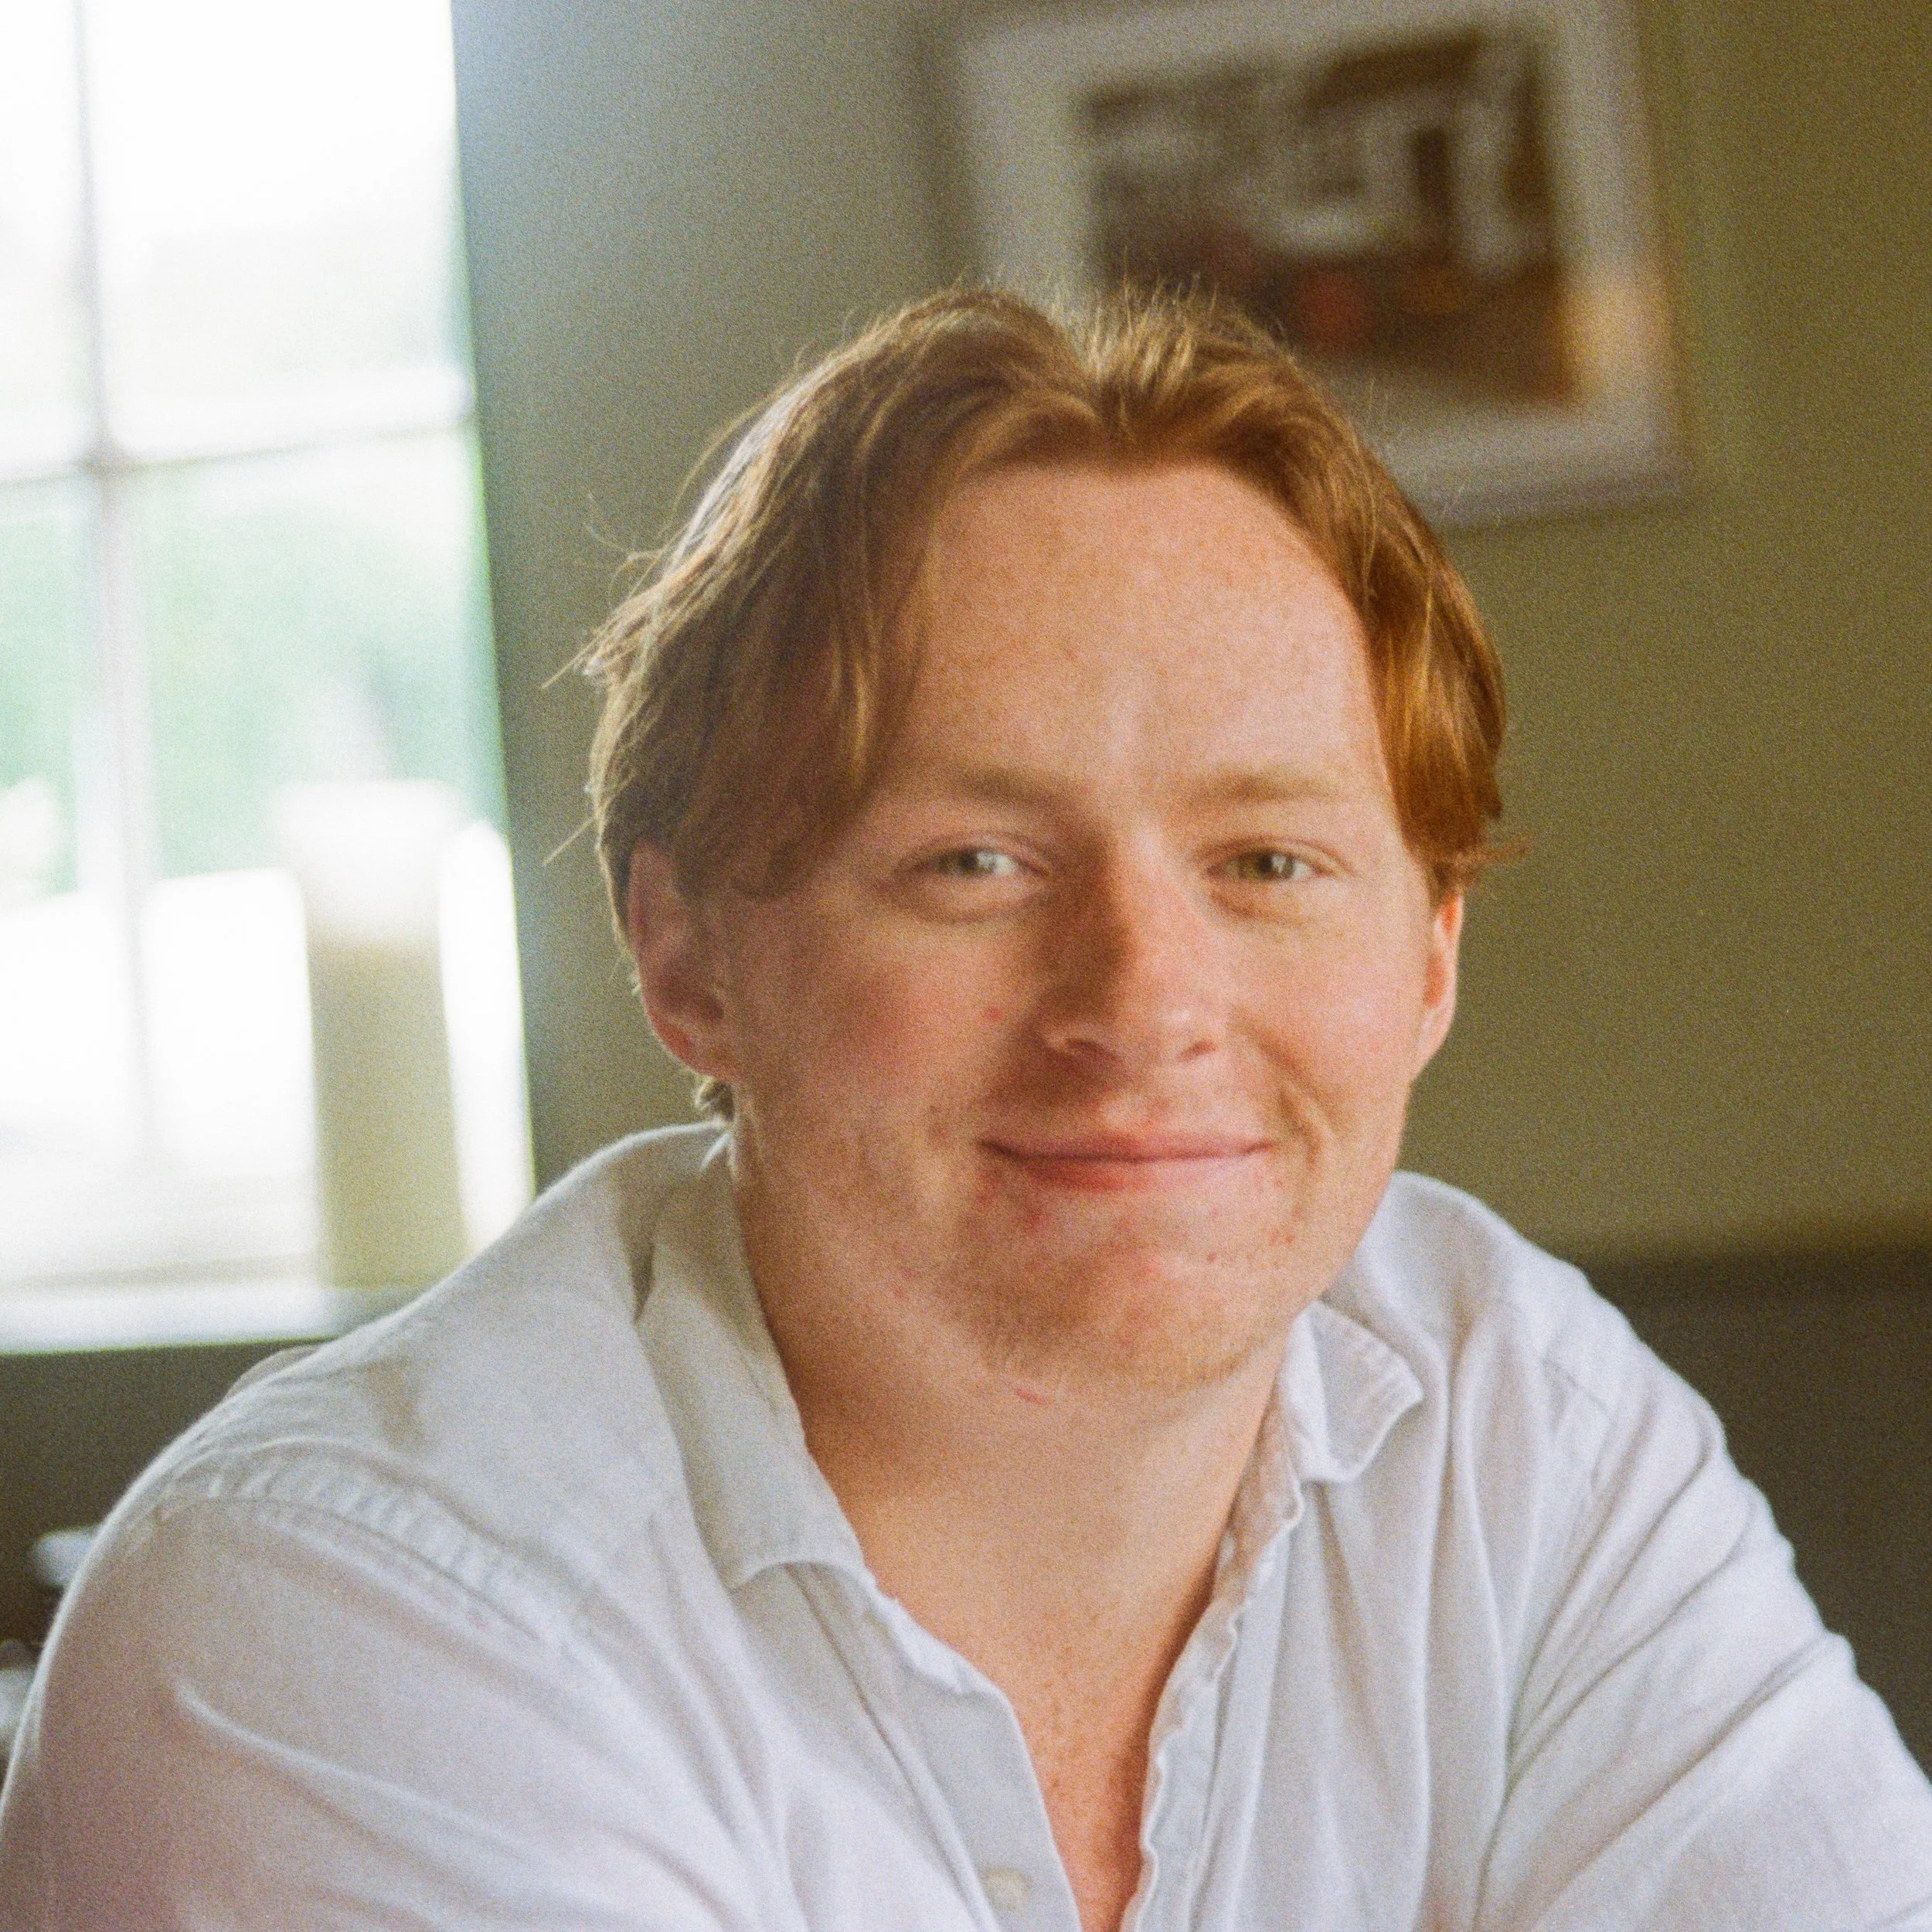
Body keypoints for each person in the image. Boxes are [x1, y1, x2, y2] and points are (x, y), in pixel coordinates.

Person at [2, 289, 1928, 1930]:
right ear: (686, 957)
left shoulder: (1513, 1415)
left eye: (1264, 860)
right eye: (974, 862)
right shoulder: (330, 1617)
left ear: (1426, 957)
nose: (1143, 1000)